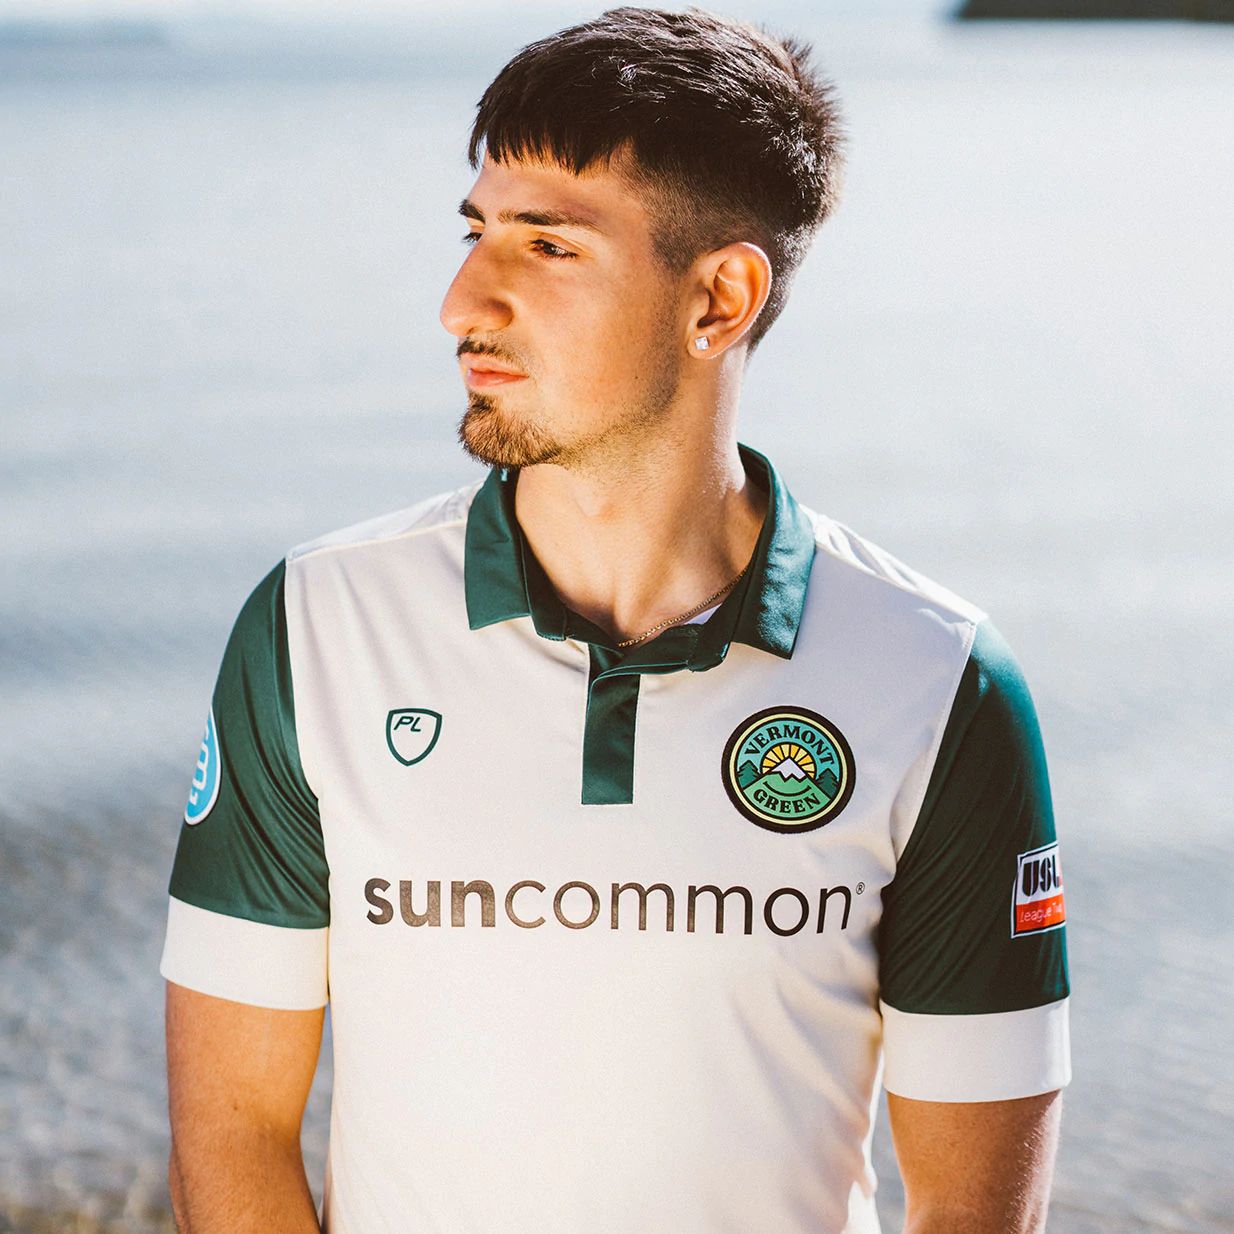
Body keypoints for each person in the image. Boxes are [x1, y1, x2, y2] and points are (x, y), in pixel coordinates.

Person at [160, 7, 1070, 1232]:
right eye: (477, 233)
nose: (461, 302)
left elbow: (972, 1208)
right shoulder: (317, 627)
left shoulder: (938, 677)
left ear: (719, 299)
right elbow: (234, 1134)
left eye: (546, 246)